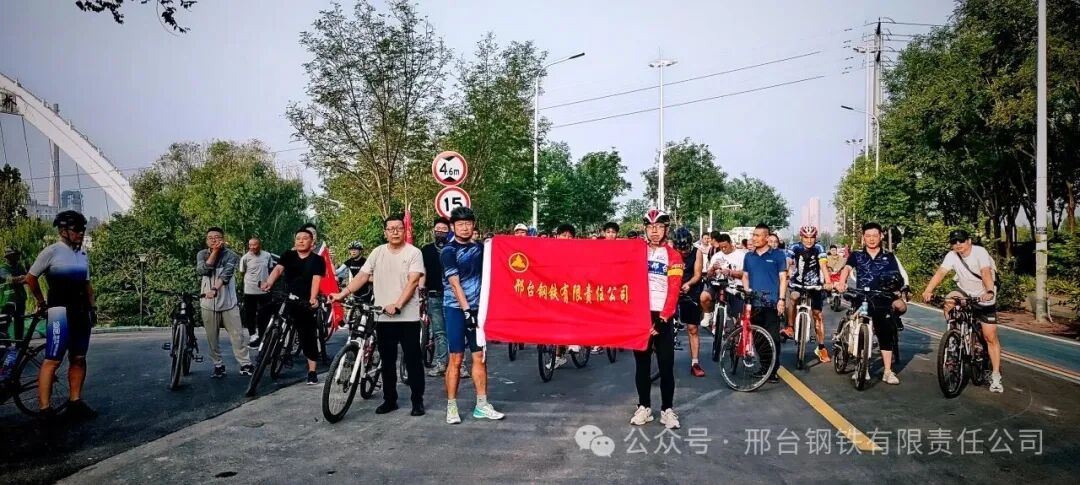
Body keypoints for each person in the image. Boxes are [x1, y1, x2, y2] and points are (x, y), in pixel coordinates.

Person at [334, 215, 426, 415]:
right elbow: (362, 276)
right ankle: (390, 400)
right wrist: (343, 293)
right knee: (387, 360)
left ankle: (417, 401)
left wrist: (398, 305)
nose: (395, 232)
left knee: (413, 360)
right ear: (385, 232)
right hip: (383, 316)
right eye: (390, 229)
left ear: (404, 231)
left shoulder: (414, 252)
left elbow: (413, 281)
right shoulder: (377, 252)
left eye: (398, 228)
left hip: (407, 317)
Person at [26, 211, 97, 420]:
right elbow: (31, 278)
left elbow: (87, 285)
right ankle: (45, 409)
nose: (81, 233)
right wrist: (41, 302)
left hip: (81, 311)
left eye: (83, 229)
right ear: (63, 231)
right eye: (77, 229)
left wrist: (93, 308)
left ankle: (75, 402)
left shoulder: (82, 255)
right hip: (59, 312)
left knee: (79, 358)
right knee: (53, 359)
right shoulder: (51, 251)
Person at [441, 206, 504, 424]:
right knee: (456, 358)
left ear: (473, 225)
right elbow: (454, 283)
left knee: (479, 357)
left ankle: (482, 405)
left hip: (480, 309)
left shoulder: (481, 249)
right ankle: (451, 406)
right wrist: (467, 310)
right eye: (460, 224)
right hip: (455, 309)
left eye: (468, 223)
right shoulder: (448, 251)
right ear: (453, 227)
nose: (465, 228)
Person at [921, 229, 1003, 393]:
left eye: (961, 241)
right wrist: (928, 290)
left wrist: (989, 291)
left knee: (990, 337)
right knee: (949, 301)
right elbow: (941, 272)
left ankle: (995, 376)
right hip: (964, 291)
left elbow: (985, 272)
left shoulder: (980, 252)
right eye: (954, 242)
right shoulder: (952, 255)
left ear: (969, 241)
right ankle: (954, 336)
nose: (958, 244)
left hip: (984, 294)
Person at [836, 222, 909, 385]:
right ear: (863, 237)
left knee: (885, 334)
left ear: (881, 236)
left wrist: (899, 289)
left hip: (882, 298)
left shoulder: (889, 256)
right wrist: (842, 282)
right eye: (868, 236)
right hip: (862, 297)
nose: (871, 239)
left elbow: (896, 276)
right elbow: (847, 269)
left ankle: (888, 371)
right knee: (859, 331)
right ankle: (862, 367)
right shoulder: (856, 255)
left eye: (875, 235)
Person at [631, 209, 682, 429]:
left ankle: (667, 410)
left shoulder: (674, 256)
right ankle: (644, 406)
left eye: (659, 227)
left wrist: (662, 320)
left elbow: (674, 290)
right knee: (641, 365)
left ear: (666, 229)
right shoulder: (636, 252)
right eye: (650, 227)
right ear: (645, 229)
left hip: (662, 315)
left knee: (666, 365)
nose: (654, 231)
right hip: (640, 315)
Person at [261, 228, 325, 385]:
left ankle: (312, 371)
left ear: (312, 242)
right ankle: (266, 344)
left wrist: (312, 298)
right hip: (285, 295)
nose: (301, 241)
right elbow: (278, 269)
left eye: (305, 238)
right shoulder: (288, 255)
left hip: (303, 300)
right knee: (263, 312)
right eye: (298, 238)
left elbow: (316, 280)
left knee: (307, 334)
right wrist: (269, 282)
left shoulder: (317, 260)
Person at [196, 227, 253, 378]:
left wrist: (214, 289)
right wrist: (214, 252)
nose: (213, 240)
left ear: (223, 239)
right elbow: (203, 270)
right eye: (210, 238)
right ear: (206, 240)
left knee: (238, 336)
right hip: (208, 304)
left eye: (217, 237)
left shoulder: (231, 255)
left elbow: (226, 276)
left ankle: (245, 364)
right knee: (212, 338)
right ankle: (218, 365)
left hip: (229, 303)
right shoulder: (202, 254)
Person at [741, 224, 788, 384]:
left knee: (773, 338)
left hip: (772, 302)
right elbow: (745, 276)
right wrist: (747, 290)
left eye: (757, 235)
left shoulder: (778, 255)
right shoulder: (749, 256)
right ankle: (764, 367)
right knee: (758, 338)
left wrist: (781, 299)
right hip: (754, 302)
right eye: (753, 235)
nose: (753, 238)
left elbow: (783, 278)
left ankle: (773, 371)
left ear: (766, 237)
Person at [783, 226, 831, 363]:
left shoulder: (819, 248)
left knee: (817, 315)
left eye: (812, 237)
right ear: (801, 237)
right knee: (794, 297)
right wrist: (785, 271)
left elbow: (823, 266)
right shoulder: (794, 247)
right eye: (806, 237)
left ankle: (821, 347)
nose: (809, 240)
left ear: (815, 238)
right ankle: (790, 327)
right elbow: (788, 261)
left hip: (815, 284)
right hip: (797, 283)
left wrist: (828, 282)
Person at [672, 227, 705, 377]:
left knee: (692, 328)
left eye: (685, 249)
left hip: (690, 287)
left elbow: (697, 274)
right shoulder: (671, 251)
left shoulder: (697, 252)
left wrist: (688, 284)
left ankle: (695, 363)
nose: (683, 252)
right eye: (680, 250)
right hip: (673, 286)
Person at [421, 217, 452, 377]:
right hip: (434, 295)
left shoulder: (454, 248)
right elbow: (422, 271)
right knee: (439, 332)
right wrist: (421, 287)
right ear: (433, 231)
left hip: (452, 296)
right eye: (438, 229)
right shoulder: (426, 250)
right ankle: (441, 364)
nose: (440, 232)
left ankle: (458, 364)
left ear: (449, 232)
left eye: (444, 229)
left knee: (454, 330)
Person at [700, 233, 746, 329]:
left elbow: (744, 274)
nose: (723, 249)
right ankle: (708, 314)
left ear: (730, 243)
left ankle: (735, 331)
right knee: (704, 296)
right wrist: (713, 268)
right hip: (718, 285)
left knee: (738, 317)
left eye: (725, 246)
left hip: (735, 287)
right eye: (721, 247)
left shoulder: (741, 256)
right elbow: (709, 274)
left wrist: (731, 272)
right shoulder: (716, 256)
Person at [239, 237, 273, 347]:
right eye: (250, 245)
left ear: (259, 245)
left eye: (255, 244)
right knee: (250, 314)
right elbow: (242, 272)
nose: (252, 247)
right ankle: (252, 334)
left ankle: (263, 336)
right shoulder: (245, 258)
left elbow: (271, 270)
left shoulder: (267, 255)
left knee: (264, 315)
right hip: (250, 290)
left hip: (264, 290)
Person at [1, 247, 28, 340]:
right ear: (8, 256)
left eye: (17, 255)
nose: (17, 257)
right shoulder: (3, 268)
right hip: (7, 300)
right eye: (15, 255)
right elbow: (10, 279)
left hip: (20, 298)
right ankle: (4, 342)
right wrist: (22, 277)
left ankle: (19, 344)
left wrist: (23, 278)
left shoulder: (20, 266)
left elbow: (27, 279)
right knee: (5, 323)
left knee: (20, 321)